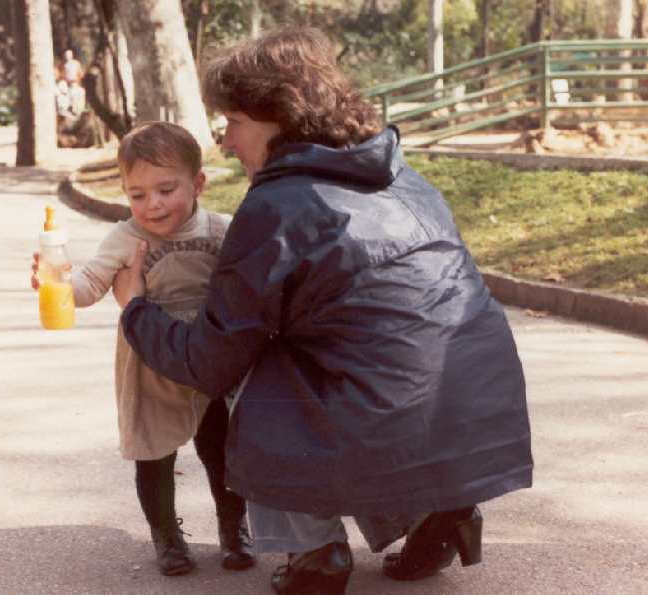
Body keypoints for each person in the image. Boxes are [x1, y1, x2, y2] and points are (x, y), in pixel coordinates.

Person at [113, 27, 533, 594]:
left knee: (253, 373)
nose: (226, 140)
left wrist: (136, 309)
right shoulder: (404, 177)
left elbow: (209, 362)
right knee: (367, 368)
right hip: (479, 409)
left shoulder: (277, 206)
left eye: (233, 121)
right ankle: (437, 510)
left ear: (277, 118)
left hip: (390, 414)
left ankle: (316, 552)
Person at [29, 122, 255, 576]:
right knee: (154, 458)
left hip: (209, 365)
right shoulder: (124, 238)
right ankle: (167, 536)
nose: (152, 204)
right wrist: (57, 282)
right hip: (150, 370)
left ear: (198, 184)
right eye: (138, 194)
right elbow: (89, 286)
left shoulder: (220, 230)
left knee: (223, 453)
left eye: (166, 190)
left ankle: (233, 529)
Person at [62, 49, 85, 113]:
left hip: (76, 83)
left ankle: (79, 109)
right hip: (68, 85)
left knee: (80, 92)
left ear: (72, 55)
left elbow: (81, 74)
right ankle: (72, 109)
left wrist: (78, 80)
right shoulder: (64, 65)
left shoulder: (76, 63)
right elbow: (63, 76)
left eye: (69, 55)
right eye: (66, 55)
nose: (67, 56)